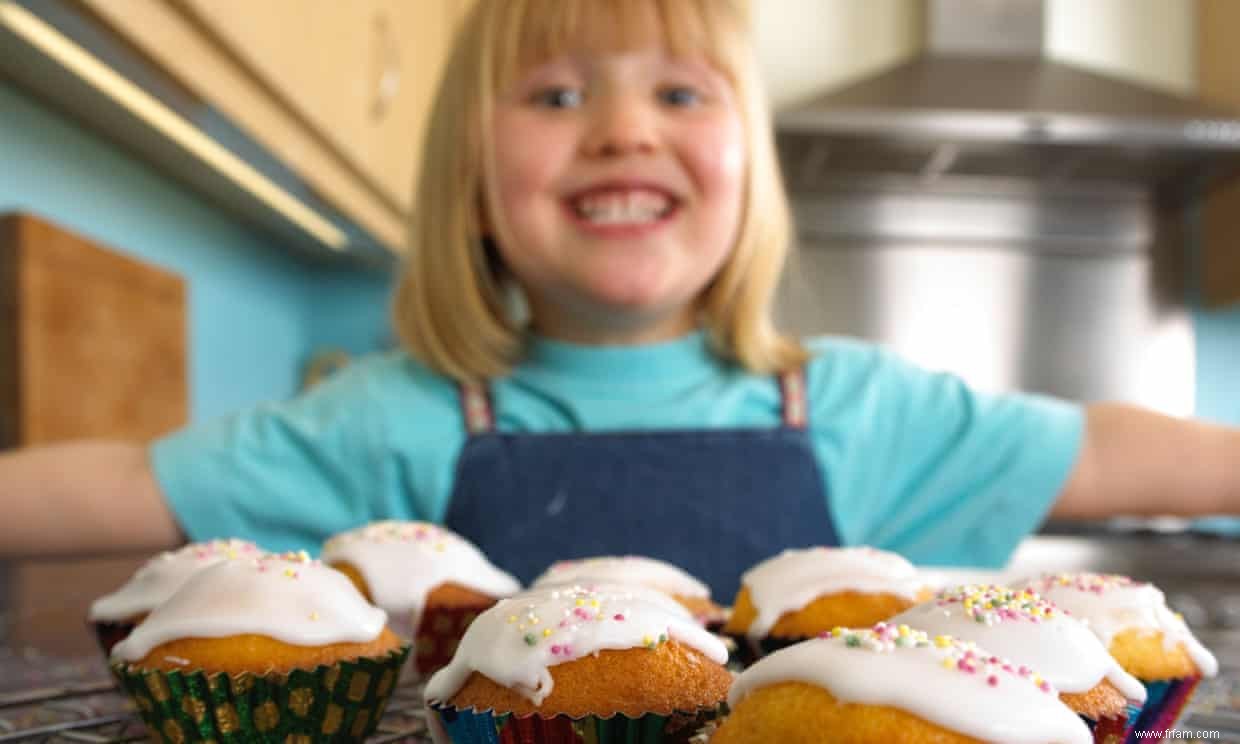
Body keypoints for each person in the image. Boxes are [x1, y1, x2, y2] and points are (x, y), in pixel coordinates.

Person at [3, 0, 1237, 599]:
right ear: (474, 191)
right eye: (553, 96)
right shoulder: (396, 418)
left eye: (680, 97)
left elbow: (1105, 452)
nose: (620, 133)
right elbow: (120, 484)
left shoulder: (856, 405)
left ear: (749, 175)